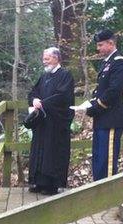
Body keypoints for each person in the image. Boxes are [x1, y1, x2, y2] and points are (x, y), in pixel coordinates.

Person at [75, 29, 123, 181]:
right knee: (98, 158)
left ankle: (108, 196)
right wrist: (91, 104)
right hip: (101, 119)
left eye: (100, 45)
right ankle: (98, 191)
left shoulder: (119, 62)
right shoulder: (107, 62)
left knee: (107, 161)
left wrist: (96, 106)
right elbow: (101, 90)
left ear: (111, 43)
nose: (98, 49)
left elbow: (114, 90)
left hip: (111, 118)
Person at [27, 47, 75, 195]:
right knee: (39, 151)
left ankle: (52, 185)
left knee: (53, 152)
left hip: (56, 122)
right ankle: (38, 182)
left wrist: (43, 104)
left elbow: (62, 96)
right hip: (42, 122)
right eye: (44, 58)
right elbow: (33, 92)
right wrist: (34, 100)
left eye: (47, 58)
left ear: (56, 58)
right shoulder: (44, 76)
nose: (44, 61)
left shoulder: (65, 75)